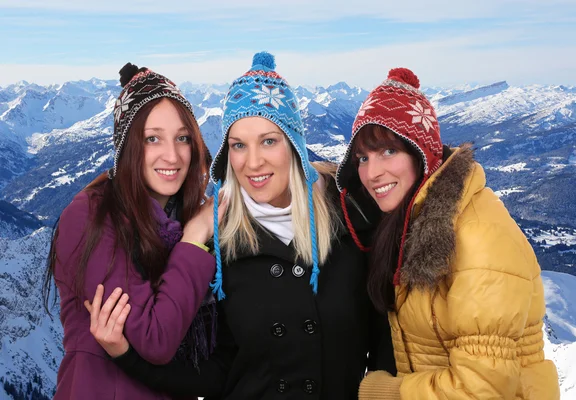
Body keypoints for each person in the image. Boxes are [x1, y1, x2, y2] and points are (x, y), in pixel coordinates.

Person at [85, 51, 395, 399]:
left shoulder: (353, 218)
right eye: (238, 145)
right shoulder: (219, 243)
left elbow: (392, 335)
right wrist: (126, 356)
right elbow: (218, 371)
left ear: (293, 146)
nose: (253, 162)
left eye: (268, 141)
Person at [335, 67, 560, 399]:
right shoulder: (412, 220)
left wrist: (388, 393)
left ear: (420, 154)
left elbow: (482, 389)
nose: (371, 172)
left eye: (389, 151)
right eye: (363, 158)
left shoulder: (477, 238)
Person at [43, 63, 223, 399]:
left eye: (182, 138)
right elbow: (155, 338)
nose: (172, 155)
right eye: (152, 138)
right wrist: (195, 239)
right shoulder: (90, 217)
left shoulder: (179, 215)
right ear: (127, 147)